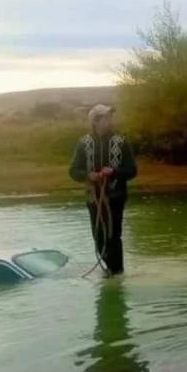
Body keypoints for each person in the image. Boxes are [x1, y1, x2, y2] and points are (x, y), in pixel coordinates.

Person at [69, 104, 138, 276]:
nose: (110, 121)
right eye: (106, 118)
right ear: (95, 121)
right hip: (94, 198)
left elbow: (132, 171)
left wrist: (114, 172)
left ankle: (117, 273)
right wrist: (88, 175)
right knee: (99, 238)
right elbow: (73, 170)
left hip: (116, 197)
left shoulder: (121, 142)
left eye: (110, 117)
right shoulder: (83, 143)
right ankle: (112, 270)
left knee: (114, 237)